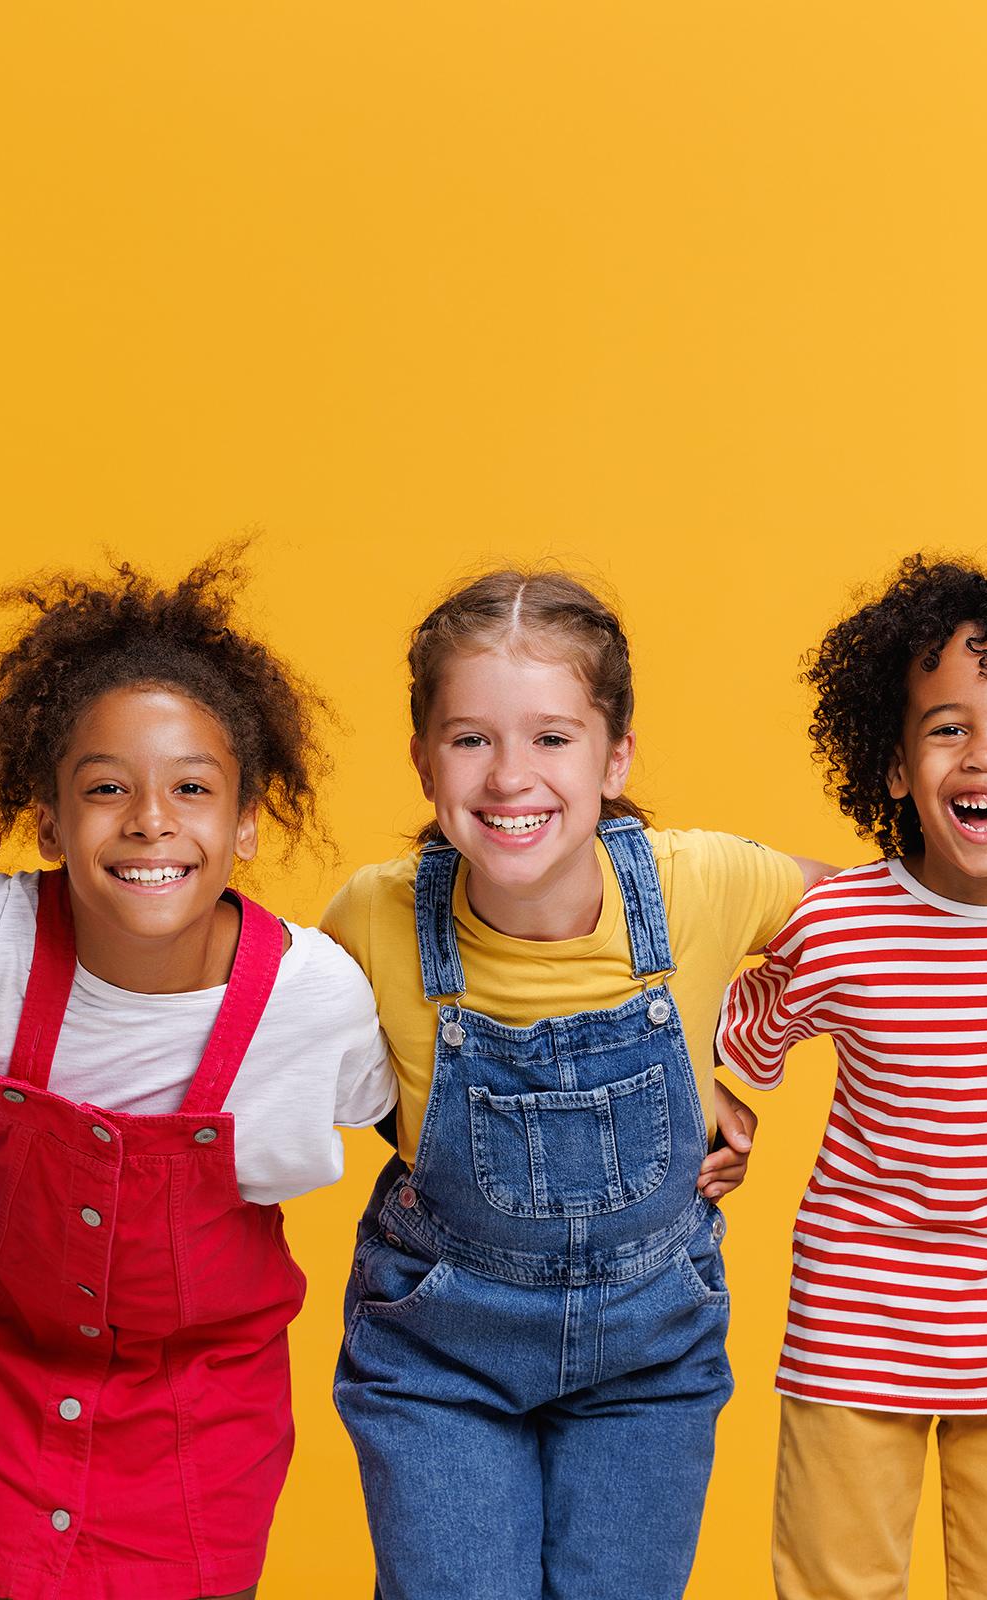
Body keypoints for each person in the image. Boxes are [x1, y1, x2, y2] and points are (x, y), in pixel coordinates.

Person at [0, 553, 396, 1600]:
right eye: (105, 788)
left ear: (247, 822)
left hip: (204, 1415)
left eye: (191, 788)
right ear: (48, 821)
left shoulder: (314, 999)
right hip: (2, 1387)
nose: (149, 820)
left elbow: (423, 1106)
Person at [324, 569, 816, 1600]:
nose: (511, 777)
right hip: (440, 1354)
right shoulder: (372, 916)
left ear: (615, 753)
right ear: (422, 759)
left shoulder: (699, 883)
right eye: (471, 739)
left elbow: (890, 922)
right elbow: (250, 1022)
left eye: (551, 737)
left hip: (648, 1356)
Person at [716, 553, 987, 1600]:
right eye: (947, 727)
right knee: (833, 1584)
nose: (984, 754)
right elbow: (715, 1015)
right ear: (896, 767)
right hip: (855, 1323)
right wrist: (710, 1099)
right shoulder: (840, 922)